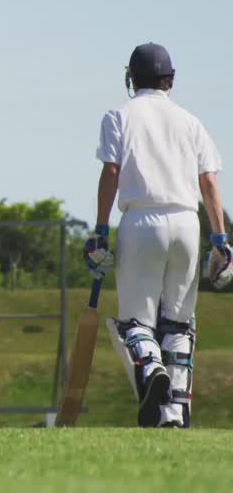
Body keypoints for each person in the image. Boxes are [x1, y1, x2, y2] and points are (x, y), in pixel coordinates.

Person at [85, 42, 230, 428]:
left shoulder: (119, 115)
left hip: (141, 222)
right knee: (179, 324)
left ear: (131, 78)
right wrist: (220, 241)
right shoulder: (191, 121)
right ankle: (174, 412)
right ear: (171, 79)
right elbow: (209, 184)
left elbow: (111, 172)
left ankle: (151, 370)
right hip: (186, 223)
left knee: (136, 322)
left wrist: (100, 231)